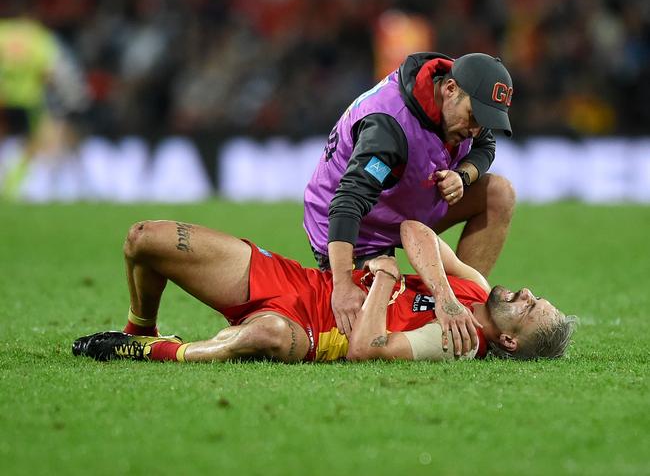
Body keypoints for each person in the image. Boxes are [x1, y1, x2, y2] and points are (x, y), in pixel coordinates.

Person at [72, 220, 577, 363]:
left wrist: (382, 279)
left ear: (509, 341)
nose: (527, 293)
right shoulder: (471, 291)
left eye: (530, 309)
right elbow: (413, 230)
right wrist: (443, 291)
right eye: (536, 294)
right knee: (145, 240)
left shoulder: (459, 342)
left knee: (263, 334)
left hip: (312, 332)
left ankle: (151, 350)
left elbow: (365, 348)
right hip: (300, 284)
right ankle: (139, 325)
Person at [303, 51, 517, 342]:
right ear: (450, 89)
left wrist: (463, 175)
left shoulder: (461, 103)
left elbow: (485, 145)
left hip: (406, 200)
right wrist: (342, 284)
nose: (476, 129)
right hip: (355, 225)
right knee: (361, 328)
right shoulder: (389, 127)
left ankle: (465, 306)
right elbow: (348, 201)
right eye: (475, 117)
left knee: (498, 193)